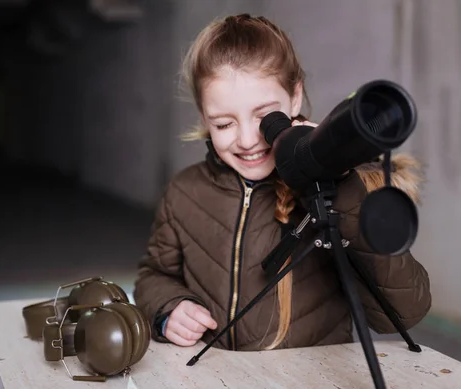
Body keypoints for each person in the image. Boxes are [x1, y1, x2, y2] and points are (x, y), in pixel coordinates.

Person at [132, 13, 431, 351]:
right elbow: (153, 275)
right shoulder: (184, 192)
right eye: (224, 124)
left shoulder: (344, 190)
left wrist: (336, 183)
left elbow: (401, 315)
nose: (246, 140)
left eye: (263, 117)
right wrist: (169, 308)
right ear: (203, 117)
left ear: (295, 97)